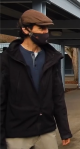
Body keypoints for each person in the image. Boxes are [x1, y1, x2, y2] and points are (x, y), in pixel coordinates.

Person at [0, 9, 72, 149]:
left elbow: (57, 97)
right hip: (17, 134)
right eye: (41, 28)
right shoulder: (6, 60)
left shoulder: (52, 58)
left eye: (47, 29)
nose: (46, 32)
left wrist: (64, 130)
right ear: (26, 30)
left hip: (46, 131)